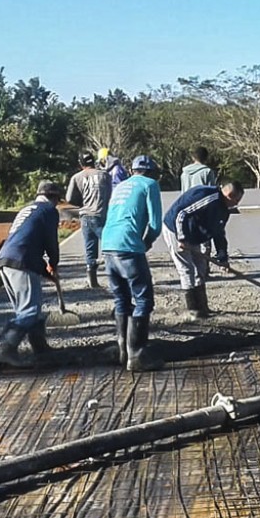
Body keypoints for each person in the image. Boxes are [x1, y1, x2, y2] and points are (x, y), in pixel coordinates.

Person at [100, 155, 164, 371]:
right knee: (144, 299)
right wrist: (146, 242)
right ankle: (136, 354)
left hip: (108, 246)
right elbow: (155, 224)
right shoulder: (150, 185)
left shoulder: (120, 185)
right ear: (151, 172)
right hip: (128, 247)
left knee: (121, 299)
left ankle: (122, 350)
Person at [0, 181, 63, 367]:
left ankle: (40, 348)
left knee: (28, 308)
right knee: (30, 310)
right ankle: (6, 349)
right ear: (54, 197)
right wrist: (53, 263)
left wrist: (45, 270)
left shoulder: (28, 210)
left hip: (5, 260)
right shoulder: (49, 210)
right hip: (21, 261)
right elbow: (51, 241)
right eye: (57, 200)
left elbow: (28, 241)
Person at [162, 181, 244, 319]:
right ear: (230, 195)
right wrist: (181, 238)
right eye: (237, 200)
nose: (237, 204)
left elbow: (219, 233)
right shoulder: (207, 197)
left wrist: (223, 257)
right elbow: (181, 214)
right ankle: (193, 310)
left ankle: (203, 307)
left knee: (200, 268)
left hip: (194, 234)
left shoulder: (224, 210)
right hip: (175, 229)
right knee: (187, 269)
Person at [66, 151, 112, 288]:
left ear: (80, 164)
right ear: (94, 161)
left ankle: (92, 278)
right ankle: (113, 277)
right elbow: (109, 194)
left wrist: (81, 202)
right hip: (101, 214)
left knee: (90, 248)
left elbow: (69, 198)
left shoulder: (76, 177)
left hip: (85, 215)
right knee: (109, 246)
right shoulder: (105, 175)